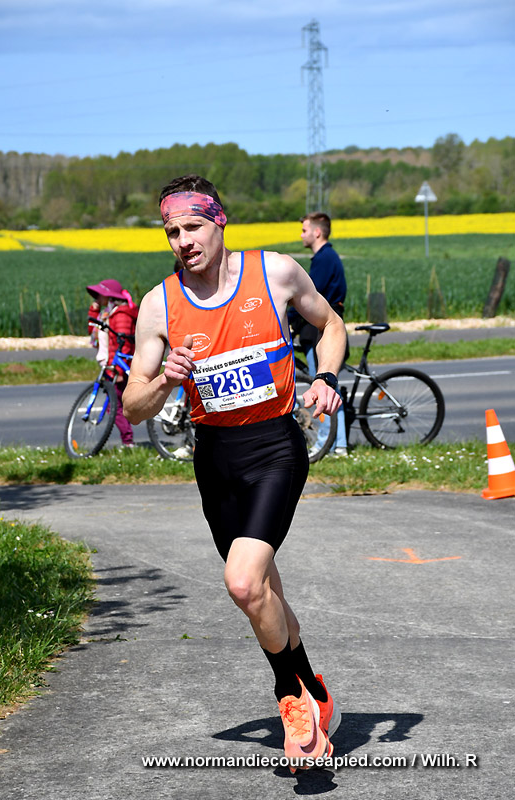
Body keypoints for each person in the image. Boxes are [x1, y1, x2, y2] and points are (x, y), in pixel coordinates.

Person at [122, 175, 347, 772]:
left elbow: (331, 325)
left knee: (243, 584)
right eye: (172, 231)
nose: (183, 241)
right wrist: (165, 379)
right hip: (215, 461)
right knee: (265, 593)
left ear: (219, 221)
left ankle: (291, 702)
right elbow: (133, 405)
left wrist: (326, 377)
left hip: (275, 448)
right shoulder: (159, 304)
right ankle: (315, 691)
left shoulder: (275, 273)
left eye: (193, 226)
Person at [289, 212, 349, 457]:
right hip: (317, 330)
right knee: (327, 387)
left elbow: (309, 299)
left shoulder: (324, 259)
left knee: (323, 387)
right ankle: (337, 443)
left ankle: (330, 443)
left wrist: (288, 320)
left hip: (319, 332)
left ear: (317, 232)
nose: (301, 235)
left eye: (304, 230)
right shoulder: (326, 257)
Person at [87, 278, 139, 447]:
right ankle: (128, 441)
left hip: (119, 367)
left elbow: (124, 344)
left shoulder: (122, 314)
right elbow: (93, 330)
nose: (97, 298)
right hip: (111, 365)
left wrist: (118, 370)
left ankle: (128, 442)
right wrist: (94, 310)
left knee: (114, 407)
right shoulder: (108, 313)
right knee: (117, 405)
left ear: (109, 297)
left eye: (99, 295)